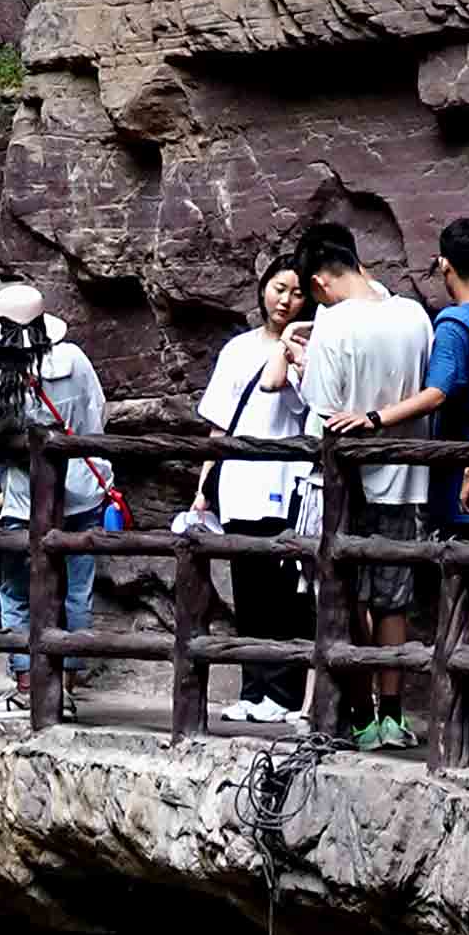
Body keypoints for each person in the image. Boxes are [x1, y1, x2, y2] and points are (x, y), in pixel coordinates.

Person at [0, 279, 112, 716]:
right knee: (75, 593)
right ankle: (67, 690)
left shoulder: (2, 382)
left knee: (18, 592)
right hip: (82, 493)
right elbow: (98, 413)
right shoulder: (75, 359)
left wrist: (2, 443)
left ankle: (26, 687)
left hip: (25, 504)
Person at [294, 224, 439, 715]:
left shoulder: (334, 324)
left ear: (319, 282)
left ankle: (356, 709)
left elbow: (322, 411)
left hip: (348, 484)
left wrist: (301, 367)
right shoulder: (416, 316)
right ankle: (393, 713)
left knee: (349, 594)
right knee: (394, 600)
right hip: (407, 478)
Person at [193, 264, 313, 719]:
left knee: (287, 592)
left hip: (287, 481)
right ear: (262, 289)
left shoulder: (309, 349)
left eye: (297, 292)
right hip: (241, 481)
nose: (285, 300)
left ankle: (283, 692)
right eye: (279, 289)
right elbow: (219, 424)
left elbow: (298, 402)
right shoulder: (237, 349)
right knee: (249, 590)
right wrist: (204, 487)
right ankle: (253, 688)